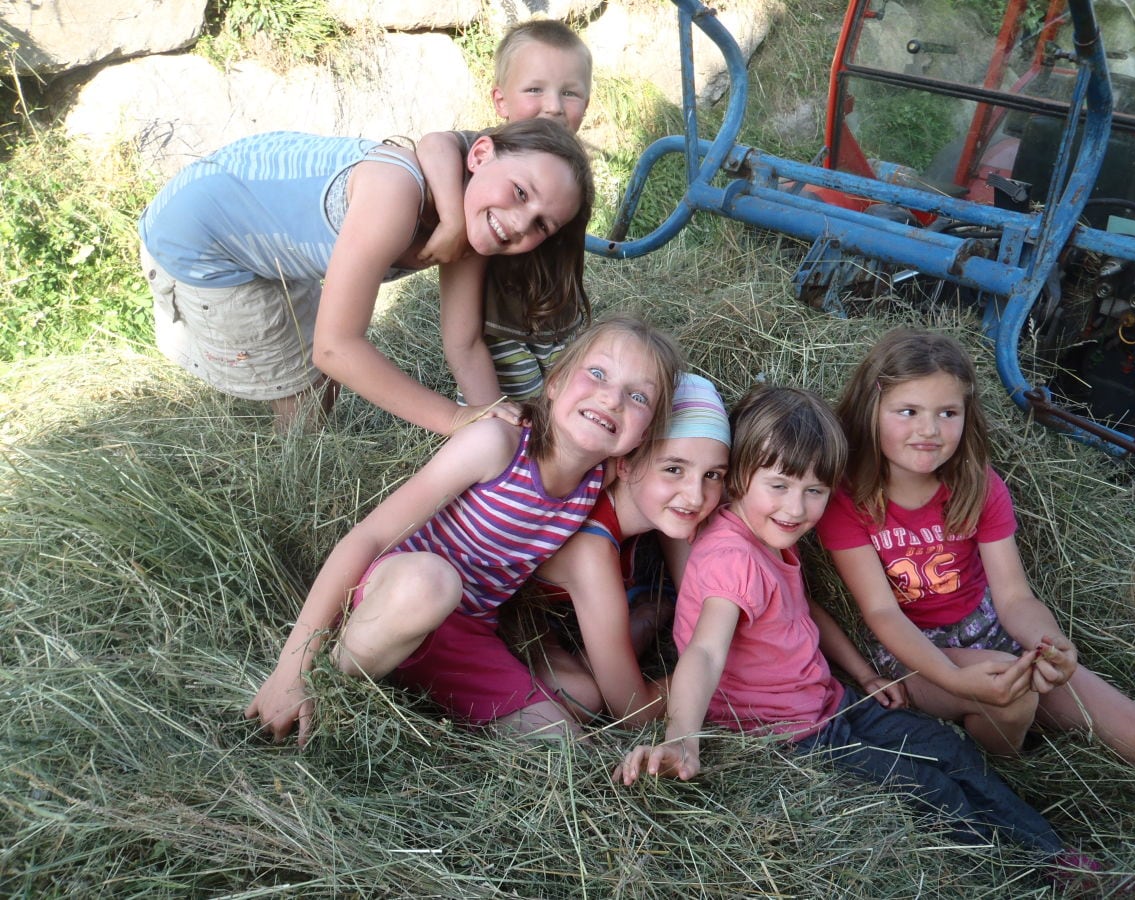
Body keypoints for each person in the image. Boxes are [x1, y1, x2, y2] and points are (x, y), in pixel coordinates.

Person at [616, 384, 1096, 874]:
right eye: (779, 485)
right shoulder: (730, 559)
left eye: (814, 491)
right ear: (739, 477)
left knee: (948, 748)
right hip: (790, 734)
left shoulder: (767, 533)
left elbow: (802, 611)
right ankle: (1022, 873)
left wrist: (863, 674)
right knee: (927, 787)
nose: (796, 508)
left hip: (830, 703)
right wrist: (682, 734)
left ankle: (1054, 852)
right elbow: (705, 651)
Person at [244, 315, 682, 746]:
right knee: (431, 584)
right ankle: (326, 690)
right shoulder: (497, 444)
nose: (612, 399)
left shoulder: (601, 478)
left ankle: (407, 690)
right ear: (555, 383)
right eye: (598, 373)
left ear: (642, 439)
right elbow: (369, 538)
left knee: (569, 732)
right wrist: (292, 669)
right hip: (396, 597)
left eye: (638, 397)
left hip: (468, 631)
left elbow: (682, 485)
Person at [817, 328, 1135, 792]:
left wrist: (1051, 643)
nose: (929, 430)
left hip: (992, 629)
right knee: (1008, 699)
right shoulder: (848, 501)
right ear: (870, 412)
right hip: (915, 652)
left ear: (966, 415)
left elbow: (1015, 597)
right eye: (908, 411)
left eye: (947, 413)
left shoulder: (979, 486)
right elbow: (882, 614)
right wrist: (958, 683)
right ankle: (1009, 772)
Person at [138, 116, 592, 432]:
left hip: (266, 233)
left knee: (320, 373)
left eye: (541, 225)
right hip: (205, 247)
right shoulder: (395, 193)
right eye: (519, 192)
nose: (518, 223)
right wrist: (453, 420)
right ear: (479, 155)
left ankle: (298, 442)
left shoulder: (470, 229)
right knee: (307, 387)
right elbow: (335, 349)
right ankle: (287, 480)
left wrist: (493, 418)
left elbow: (463, 342)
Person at [524, 373, 731, 726]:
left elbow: (695, 597)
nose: (696, 495)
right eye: (674, 468)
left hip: (594, 604)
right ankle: (645, 617)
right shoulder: (591, 552)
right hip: (526, 619)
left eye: (713, 474)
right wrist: (730, 686)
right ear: (626, 464)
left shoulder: (667, 506)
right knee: (581, 698)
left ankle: (646, 615)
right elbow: (634, 711)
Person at [416, 19, 593, 402]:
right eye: (534, 89)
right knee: (521, 417)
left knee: (567, 403)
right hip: (501, 335)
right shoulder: (494, 157)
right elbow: (434, 143)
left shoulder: (570, 170)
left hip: (557, 321)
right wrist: (452, 218)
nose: (553, 108)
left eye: (570, 93)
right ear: (501, 101)